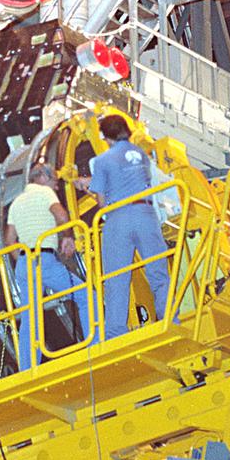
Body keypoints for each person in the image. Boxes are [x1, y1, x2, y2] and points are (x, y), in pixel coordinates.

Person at [74, 113, 170, 339]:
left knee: (117, 277)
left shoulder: (103, 161)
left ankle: (116, 331)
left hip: (119, 219)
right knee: (159, 273)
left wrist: (85, 185)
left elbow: (101, 201)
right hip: (147, 215)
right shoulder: (142, 155)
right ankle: (169, 317)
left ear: (105, 136)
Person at [3, 162, 89, 370]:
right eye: (54, 181)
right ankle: (94, 344)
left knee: (30, 316)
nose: (56, 186)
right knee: (86, 296)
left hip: (25, 262)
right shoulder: (45, 193)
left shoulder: (17, 202)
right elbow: (61, 216)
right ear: (41, 177)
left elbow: (8, 240)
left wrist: (25, 262)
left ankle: (28, 367)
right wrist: (67, 238)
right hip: (44, 259)